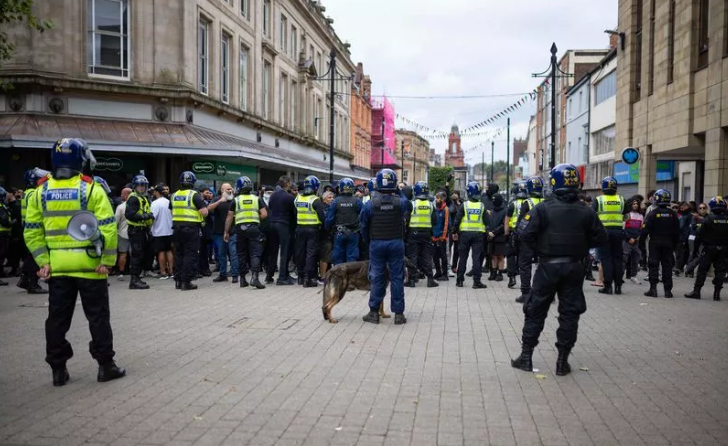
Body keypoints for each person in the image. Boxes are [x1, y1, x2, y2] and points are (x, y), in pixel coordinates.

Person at [24, 138, 125, 386]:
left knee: (57, 320)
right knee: (98, 318)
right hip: (91, 266)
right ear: (80, 159)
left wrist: (43, 261)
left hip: (58, 268)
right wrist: (108, 260)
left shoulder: (40, 191)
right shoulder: (91, 189)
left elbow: (32, 231)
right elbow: (108, 228)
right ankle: (105, 366)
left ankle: (58, 370)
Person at [511, 164, 606, 376]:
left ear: (553, 183)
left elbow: (524, 232)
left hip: (548, 267)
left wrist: (540, 247)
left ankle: (526, 357)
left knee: (535, 311)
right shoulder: (585, 210)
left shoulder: (543, 208)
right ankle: (562, 361)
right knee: (570, 313)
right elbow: (600, 237)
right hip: (574, 267)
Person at [360, 169, 407, 325]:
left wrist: (369, 242)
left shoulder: (369, 204)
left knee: (377, 277)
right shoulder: (400, 202)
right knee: (397, 278)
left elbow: (364, 227)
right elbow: (408, 205)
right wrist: (398, 191)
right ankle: (399, 314)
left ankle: (374, 313)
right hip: (396, 242)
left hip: (377, 243)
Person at [225, 176, 268, 289]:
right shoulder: (256, 199)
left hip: (240, 230)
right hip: (254, 228)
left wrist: (226, 232)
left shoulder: (236, 200)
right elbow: (264, 214)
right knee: (255, 253)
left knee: (241, 254)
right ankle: (255, 278)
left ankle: (243, 279)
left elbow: (229, 217)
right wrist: (254, 218)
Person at [685, 196, 728, 301]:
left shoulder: (708, 219)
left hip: (709, 248)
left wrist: (695, 250)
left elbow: (699, 235)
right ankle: (717, 294)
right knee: (720, 271)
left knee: (702, 270)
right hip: (723, 249)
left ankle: (697, 291)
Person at [171, 171, 209, 291]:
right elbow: (204, 212)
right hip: (191, 229)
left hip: (177, 228)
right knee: (190, 254)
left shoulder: (174, 195)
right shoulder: (194, 195)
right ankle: (186, 282)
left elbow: (171, 211)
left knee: (178, 254)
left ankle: (177, 281)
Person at [642, 189, 680, 298]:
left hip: (654, 243)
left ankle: (653, 289)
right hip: (668, 244)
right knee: (667, 266)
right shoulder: (673, 214)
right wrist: (675, 244)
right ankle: (668, 291)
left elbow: (645, 230)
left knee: (653, 265)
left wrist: (641, 244)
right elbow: (677, 231)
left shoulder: (652, 213)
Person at [17, 168, 50, 294]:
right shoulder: (34, 194)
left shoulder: (27, 192)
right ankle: (32, 284)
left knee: (29, 257)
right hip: (35, 230)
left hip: (28, 229)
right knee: (34, 259)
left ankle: (24, 281)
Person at [514, 176, 546, 303]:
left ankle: (526, 293)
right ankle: (546, 292)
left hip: (528, 239)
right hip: (543, 239)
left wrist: (516, 235)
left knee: (525, 266)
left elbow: (522, 222)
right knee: (544, 265)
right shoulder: (546, 202)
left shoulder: (527, 203)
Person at [592, 177, 625, 295]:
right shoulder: (621, 199)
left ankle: (608, 287)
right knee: (618, 259)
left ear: (603, 187)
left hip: (604, 232)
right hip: (618, 232)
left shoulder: (599, 199)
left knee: (606, 259)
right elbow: (626, 216)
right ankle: (618, 287)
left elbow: (592, 216)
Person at [453, 181, 489, 289]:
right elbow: (487, 222)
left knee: (463, 258)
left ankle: (459, 281)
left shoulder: (464, 205)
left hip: (465, 234)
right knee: (476, 258)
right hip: (478, 235)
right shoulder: (482, 206)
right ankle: (476, 282)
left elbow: (457, 220)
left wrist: (454, 232)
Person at [406, 181, 438, 288]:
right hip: (427, 233)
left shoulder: (411, 203)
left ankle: (411, 280)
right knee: (427, 256)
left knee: (413, 256)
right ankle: (430, 280)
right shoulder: (430, 205)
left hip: (413, 232)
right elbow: (434, 221)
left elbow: (406, 219)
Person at [295, 175, 325, 287]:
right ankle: (309, 278)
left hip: (300, 228)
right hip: (313, 229)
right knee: (311, 254)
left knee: (300, 253)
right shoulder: (315, 200)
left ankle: (300, 277)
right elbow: (322, 217)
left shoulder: (297, 198)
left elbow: (295, 214)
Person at [124, 175, 153, 290]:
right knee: (137, 255)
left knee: (141, 255)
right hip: (136, 230)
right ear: (135, 186)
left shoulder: (143, 197)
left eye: (144, 186)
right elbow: (130, 214)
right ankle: (134, 280)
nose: (142, 188)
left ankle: (136, 278)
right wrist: (145, 216)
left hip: (142, 230)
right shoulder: (134, 198)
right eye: (140, 186)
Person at [326, 178, 362, 265]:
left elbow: (329, 219)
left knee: (338, 259)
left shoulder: (336, 201)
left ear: (340, 188)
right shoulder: (357, 201)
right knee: (352, 259)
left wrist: (327, 230)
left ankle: (339, 278)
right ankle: (351, 278)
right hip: (354, 233)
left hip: (339, 234)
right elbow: (363, 216)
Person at [268, 176, 297, 285]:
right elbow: (294, 214)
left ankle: (269, 275)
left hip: (272, 224)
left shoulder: (273, 196)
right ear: (288, 184)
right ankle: (282, 277)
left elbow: (270, 208)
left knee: (273, 251)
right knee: (285, 251)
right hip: (284, 225)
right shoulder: (289, 197)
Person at [209, 183, 236, 283]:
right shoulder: (217, 199)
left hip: (233, 231)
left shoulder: (235, 199)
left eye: (231, 189)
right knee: (221, 254)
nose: (230, 191)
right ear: (222, 190)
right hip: (219, 232)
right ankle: (223, 274)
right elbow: (208, 209)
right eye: (227, 189)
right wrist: (220, 201)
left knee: (233, 254)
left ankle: (235, 275)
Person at [505, 181, 528, 289]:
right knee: (522, 255)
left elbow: (506, 220)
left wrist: (506, 233)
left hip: (513, 232)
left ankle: (512, 277)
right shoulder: (529, 203)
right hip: (526, 233)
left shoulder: (512, 204)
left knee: (510, 255)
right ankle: (524, 279)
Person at [150, 184, 174, 280]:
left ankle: (163, 272)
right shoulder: (169, 202)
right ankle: (172, 271)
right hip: (169, 230)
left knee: (161, 252)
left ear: (157, 192)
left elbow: (152, 217)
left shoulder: (155, 203)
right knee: (169, 250)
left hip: (159, 231)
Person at [623, 197, 644, 285]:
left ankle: (633, 276)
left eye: (637, 204)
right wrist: (628, 238)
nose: (635, 205)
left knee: (636, 259)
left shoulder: (641, 216)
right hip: (627, 241)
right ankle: (619, 276)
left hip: (636, 241)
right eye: (633, 204)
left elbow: (641, 228)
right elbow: (623, 229)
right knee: (624, 258)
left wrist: (638, 237)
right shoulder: (627, 215)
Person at [487, 193, 508, 282]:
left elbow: (504, 224)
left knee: (500, 256)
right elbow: (487, 222)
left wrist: (494, 232)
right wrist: (488, 231)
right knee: (493, 256)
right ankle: (493, 272)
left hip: (500, 236)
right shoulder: (491, 211)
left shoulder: (505, 210)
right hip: (491, 236)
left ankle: (500, 273)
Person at [684, 203, 708, 277]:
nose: (702, 210)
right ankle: (689, 271)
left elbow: (709, 224)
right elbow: (694, 226)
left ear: (706, 209)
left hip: (703, 239)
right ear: (698, 209)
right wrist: (701, 224)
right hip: (693, 238)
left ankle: (689, 268)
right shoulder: (695, 217)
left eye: (704, 208)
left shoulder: (708, 217)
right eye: (700, 208)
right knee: (692, 254)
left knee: (701, 255)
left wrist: (700, 220)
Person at [432, 191, 450, 281]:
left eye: (438, 198)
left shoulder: (446, 209)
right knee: (435, 256)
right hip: (434, 236)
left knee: (443, 256)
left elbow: (446, 223)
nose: (436, 200)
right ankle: (438, 272)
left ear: (442, 199)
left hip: (442, 237)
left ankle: (445, 274)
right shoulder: (434, 208)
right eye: (436, 198)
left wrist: (443, 236)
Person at [115, 188, 132, 281]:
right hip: (134, 233)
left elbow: (115, 221)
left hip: (122, 233)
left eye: (122, 194)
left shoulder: (120, 207)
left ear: (126, 195)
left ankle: (121, 273)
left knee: (122, 254)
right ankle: (135, 272)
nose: (121, 196)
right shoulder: (136, 205)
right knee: (134, 254)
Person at [198, 186, 215, 277]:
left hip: (206, 230)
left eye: (209, 192)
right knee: (200, 251)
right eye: (206, 192)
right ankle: (201, 269)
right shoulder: (200, 202)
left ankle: (204, 268)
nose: (208, 194)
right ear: (201, 193)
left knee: (204, 250)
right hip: (200, 229)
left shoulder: (206, 202)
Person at [319, 191, 335, 281]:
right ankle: (323, 277)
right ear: (324, 199)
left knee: (328, 256)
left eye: (332, 197)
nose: (332, 199)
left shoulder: (330, 207)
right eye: (329, 197)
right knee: (325, 256)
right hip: (325, 235)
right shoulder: (323, 208)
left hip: (329, 235)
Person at [0, 187, 15, 285]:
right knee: (1, 255)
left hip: (3, 234)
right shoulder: (1, 207)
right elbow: (4, 222)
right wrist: (13, 222)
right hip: (2, 234)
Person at [449, 190, 463, 275]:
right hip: (451, 229)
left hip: (459, 229)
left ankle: (454, 266)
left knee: (457, 249)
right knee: (449, 249)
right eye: (453, 193)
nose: (454, 195)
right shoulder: (450, 203)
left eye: (456, 193)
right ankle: (447, 265)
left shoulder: (462, 204)